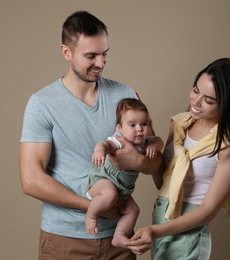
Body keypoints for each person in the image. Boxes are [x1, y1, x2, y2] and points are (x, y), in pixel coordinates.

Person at [19, 11, 161, 260]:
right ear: (66, 52)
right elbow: (31, 179)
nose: (101, 62)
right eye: (90, 56)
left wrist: (139, 162)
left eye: (105, 53)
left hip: (119, 237)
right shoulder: (42, 103)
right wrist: (94, 208)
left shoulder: (125, 95)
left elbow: (158, 166)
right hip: (65, 240)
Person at [125, 57, 230, 259]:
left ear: (228, 104)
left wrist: (155, 232)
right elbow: (164, 182)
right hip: (161, 223)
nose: (196, 102)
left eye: (208, 100)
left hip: (187, 234)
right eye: (196, 90)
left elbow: (209, 210)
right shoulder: (181, 124)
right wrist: (147, 140)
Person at [85, 98, 164, 248]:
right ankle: (91, 215)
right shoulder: (119, 140)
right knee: (109, 193)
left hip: (122, 191)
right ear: (119, 127)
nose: (139, 129)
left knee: (133, 210)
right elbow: (105, 144)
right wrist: (99, 150)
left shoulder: (144, 141)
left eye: (144, 124)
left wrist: (154, 144)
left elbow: (159, 141)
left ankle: (119, 235)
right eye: (132, 125)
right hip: (100, 183)